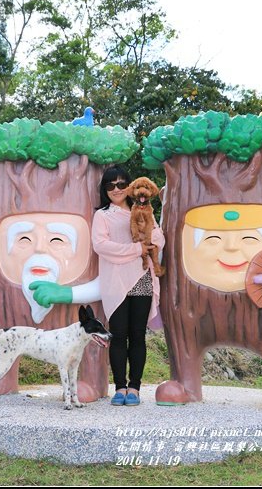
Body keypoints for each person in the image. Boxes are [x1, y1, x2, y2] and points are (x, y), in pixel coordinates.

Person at [92, 165, 165, 406]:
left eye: (122, 184)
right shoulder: (103, 215)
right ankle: (120, 387)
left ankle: (135, 387)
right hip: (115, 281)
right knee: (119, 334)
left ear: (130, 187)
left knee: (137, 335)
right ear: (105, 189)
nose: (116, 189)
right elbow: (101, 246)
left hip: (141, 277)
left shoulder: (143, 210)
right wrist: (136, 249)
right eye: (110, 185)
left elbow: (159, 238)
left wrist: (149, 243)